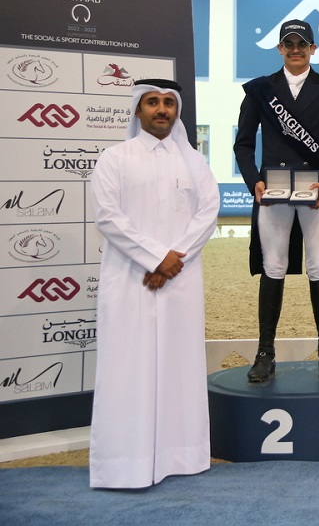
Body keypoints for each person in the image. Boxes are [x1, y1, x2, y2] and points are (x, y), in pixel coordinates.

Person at [89, 79, 220, 488]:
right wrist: (155, 258)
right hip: (130, 279)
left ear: (176, 110)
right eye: (152, 102)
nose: (161, 110)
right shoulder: (115, 158)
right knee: (126, 368)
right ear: (137, 109)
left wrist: (171, 260)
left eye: (168, 103)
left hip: (180, 280)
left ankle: (182, 456)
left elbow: (208, 213)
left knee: (180, 367)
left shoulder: (194, 161)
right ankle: (122, 464)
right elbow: (108, 216)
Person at [234, 19, 319, 383]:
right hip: (273, 195)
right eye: (288, 44)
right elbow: (243, 144)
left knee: (318, 266)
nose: (295, 49)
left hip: (314, 193)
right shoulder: (260, 90)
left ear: (312, 49)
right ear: (280, 49)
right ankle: (265, 352)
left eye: (301, 44)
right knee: (273, 267)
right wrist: (254, 181)